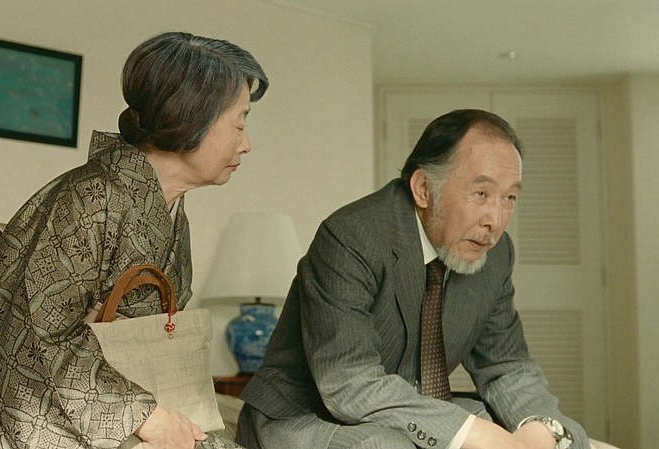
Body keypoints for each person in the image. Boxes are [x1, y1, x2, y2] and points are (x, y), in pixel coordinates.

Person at [0, 31, 268, 449]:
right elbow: (38, 339)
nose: (247, 144)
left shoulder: (169, 206)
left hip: (116, 408)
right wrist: (146, 417)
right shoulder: (88, 199)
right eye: (239, 123)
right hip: (26, 423)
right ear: (191, 117)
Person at [236, 109, 590, 449]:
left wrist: (540, 429)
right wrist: (475, 434)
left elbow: (506, 366)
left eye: (509, 197)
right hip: (305, 413)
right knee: (393, 445)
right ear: (423, 189)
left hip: (408, 411)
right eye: (481, 193)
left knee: (563, 437)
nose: (494, 221)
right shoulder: (352, 236)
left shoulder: (495, 255)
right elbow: (349, 381)